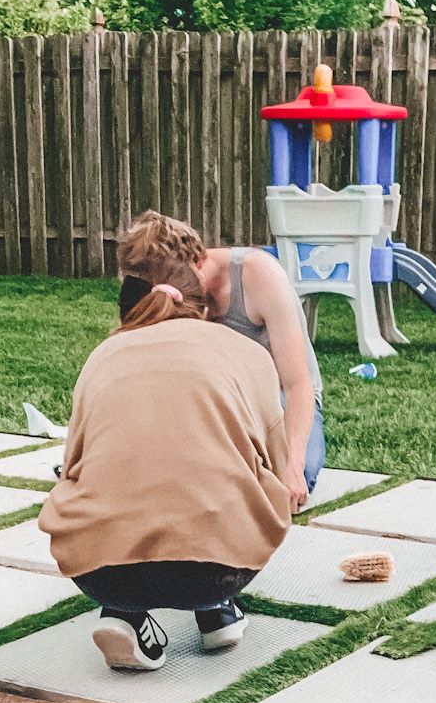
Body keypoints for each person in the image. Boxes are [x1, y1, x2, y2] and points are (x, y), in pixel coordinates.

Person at [39, 260, 291, 673]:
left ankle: (124, 612)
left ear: (129, 311)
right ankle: (218, 609)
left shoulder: (101, 356)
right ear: (205, 309)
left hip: (101, 570)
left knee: (90, 488)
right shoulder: (248, 353)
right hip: (220, 567)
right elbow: (277, 464)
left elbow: (72, 464)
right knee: (242, 485)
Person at [114, 211, 323, 511]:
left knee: (282, 484)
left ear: (197, 261)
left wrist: (292, 464)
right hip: (215, 404)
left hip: (276, 404)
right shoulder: (163, 295)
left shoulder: (258, 275)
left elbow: (298, 384)